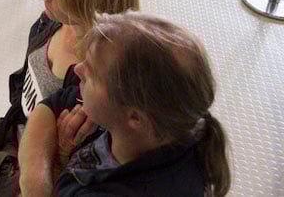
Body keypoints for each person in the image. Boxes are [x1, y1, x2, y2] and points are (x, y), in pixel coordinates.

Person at [0, 0, 139, 197]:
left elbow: (91, 163)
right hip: (7, 145)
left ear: (86, 4)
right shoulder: (51, 21)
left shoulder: (99, 80)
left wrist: (61, 156)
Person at [18, 12, 231, 197]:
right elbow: (50, 106)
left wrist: (59, 162)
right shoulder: (158, 120)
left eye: (91, 73)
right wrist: (37, 182)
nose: (77, 69)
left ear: (135, 117)